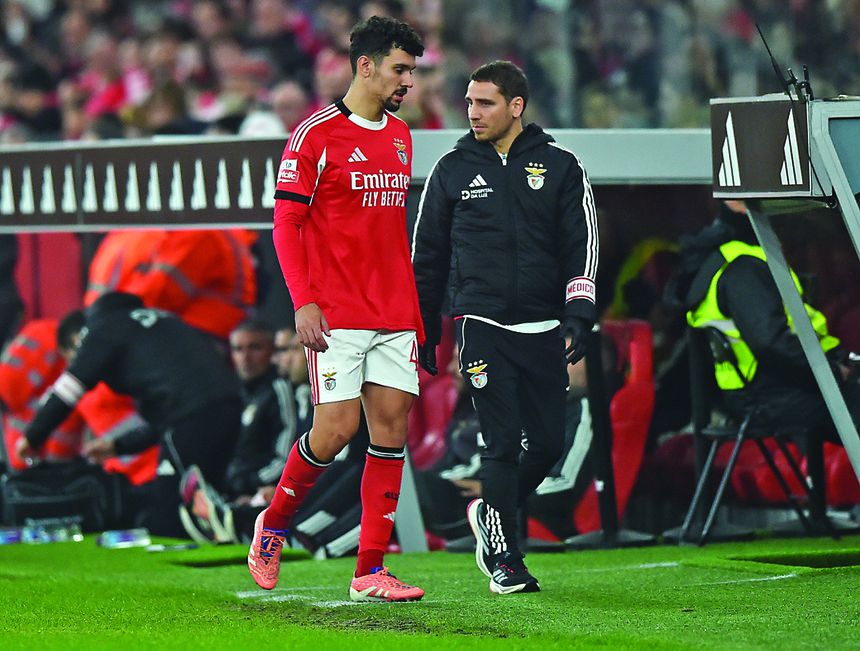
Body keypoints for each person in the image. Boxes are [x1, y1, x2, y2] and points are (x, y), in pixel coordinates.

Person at [247, 15, 426, 603]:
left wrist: (415, 313)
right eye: (400, 69)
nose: (407, 81)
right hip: (337, 311)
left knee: (391, 429)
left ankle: (369, 569)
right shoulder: (314, 135)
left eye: (412, 71)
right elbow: (286, 224)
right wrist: (304, 303)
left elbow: (392, 233)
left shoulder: (400, 136)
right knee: (335, 432)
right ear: (366, 65)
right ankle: (273, 524)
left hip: (393, 310)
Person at [411, 60, 599, 594]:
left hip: (544, 328)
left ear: (516, 106)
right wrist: (427, 329)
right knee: (500, 446)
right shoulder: (450, 170)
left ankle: (492, 513)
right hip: (483, 324)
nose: (473, 113)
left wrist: (580, 311)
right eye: (469, 102)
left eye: (485, 103)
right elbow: (427, 257)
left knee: (543, 444)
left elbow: (581, 244)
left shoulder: (562, 167)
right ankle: (507, 561)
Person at [17, 292, 242, 537]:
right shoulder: (156, 321)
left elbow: (68, 390)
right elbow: (171, 413)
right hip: (228, 405)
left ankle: (243, 537)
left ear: (76, 341)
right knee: (213, 500)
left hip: (192, 417)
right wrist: (119, 445)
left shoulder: (102, 330)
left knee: (168, 516)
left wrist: (32, 438)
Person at [679, 201, 860, 438]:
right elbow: (771, 343)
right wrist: (833, 372)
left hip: (774, 388)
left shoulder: (739, 257)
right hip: (771, 396)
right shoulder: (743, 268)